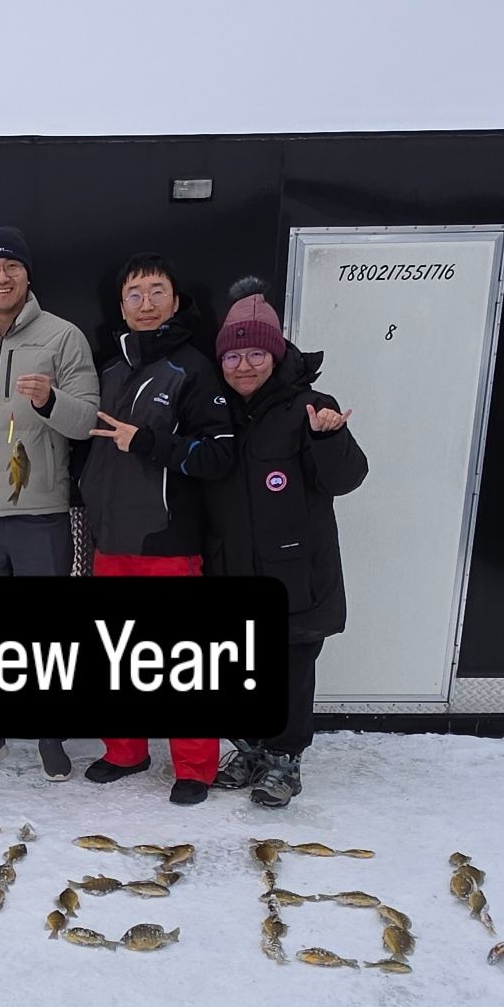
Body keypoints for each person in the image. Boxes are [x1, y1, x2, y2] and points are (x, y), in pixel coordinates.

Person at [0, 226, 101, 781]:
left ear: (28, 275)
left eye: (10, 267)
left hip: (40, 513)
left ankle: (50, 736)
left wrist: (51, 399)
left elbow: (86, 423)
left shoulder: (64, 338)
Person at [79, 253, 236, 806]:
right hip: (111, 538)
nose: (145, 304)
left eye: (156, 292)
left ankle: (194, 766)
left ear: (174, 299)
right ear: (121, 306)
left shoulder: (194, 368)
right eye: (134, 294)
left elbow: (219, 456)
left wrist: (148, 443)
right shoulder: (109, 366)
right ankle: (126, 750)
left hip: (169, 541)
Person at [204, 278, 368, 807]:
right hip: (231, 567)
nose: (244, 365)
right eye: (233, 354)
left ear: (275, 353)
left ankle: (284, 760)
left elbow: (346, 479)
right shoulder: (215, 409)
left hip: (295, 573)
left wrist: (330, 437)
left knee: (291, 670)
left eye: (255, 353)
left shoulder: (311, 407)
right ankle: (250, 750)